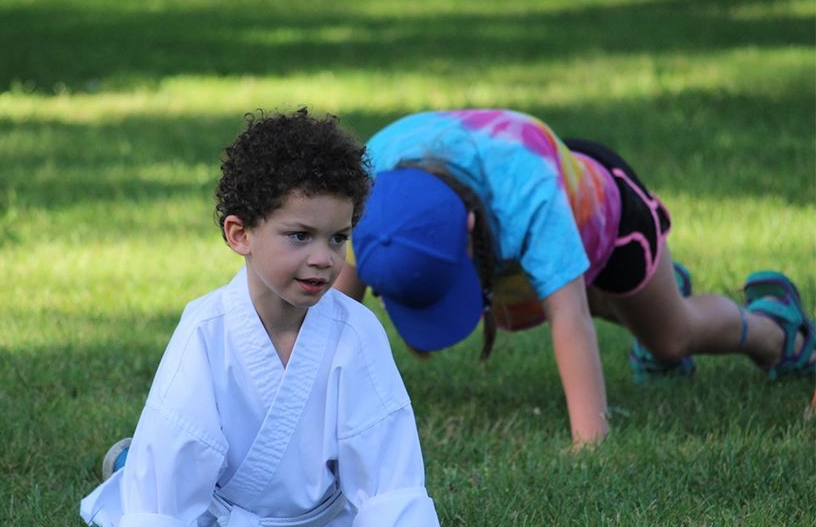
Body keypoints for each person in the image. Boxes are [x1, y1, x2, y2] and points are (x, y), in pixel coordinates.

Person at [80, 109, 443, 527]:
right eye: (300, 236)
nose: (324, 257)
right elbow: (175, 444)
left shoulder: (356, 332)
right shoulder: (206, 329)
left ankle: (125, 463)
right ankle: (128, 465)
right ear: (240, 235)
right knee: (148, 463)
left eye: (339, 237)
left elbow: (384, 450)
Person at [334, 109, 814, 446]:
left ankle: (776, 329)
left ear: (469, 227)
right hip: (520, 227)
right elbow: (339, 312)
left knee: (671, 336)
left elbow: (569, 317)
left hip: (608, 219)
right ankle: (656, 294)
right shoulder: (374, 191)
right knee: (604, 303)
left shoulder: (528, 195)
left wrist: (589, 443)